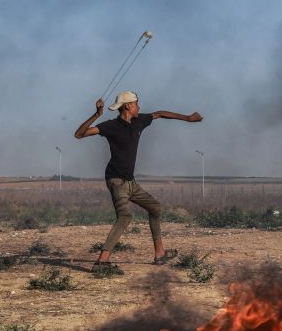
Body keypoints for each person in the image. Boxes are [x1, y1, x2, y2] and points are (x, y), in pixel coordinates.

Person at [74, 90, 203, 266]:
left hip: (130, 182)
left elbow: (159, 113)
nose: (139, 107)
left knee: (155, 208)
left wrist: (188, 118)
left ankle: (160, 254)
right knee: (125, 216)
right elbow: (79, 134)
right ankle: (102, 260)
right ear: (128, 106)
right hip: (116, 180)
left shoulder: (139, 121)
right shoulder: (110, 126)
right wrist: (96, 114)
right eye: (136, 103)